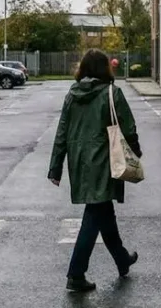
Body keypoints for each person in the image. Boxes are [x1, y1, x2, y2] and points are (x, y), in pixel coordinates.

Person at [48, 48, 141, 292]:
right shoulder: (112, 93)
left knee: (103, 211)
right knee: (94, 215)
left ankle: (122, 260)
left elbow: (62, 132)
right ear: (104, 68)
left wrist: (56, 167)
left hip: (79, 161)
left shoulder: (72, 94)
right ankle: (76, 273)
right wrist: (136, 153)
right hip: (104, 161)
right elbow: (128, 128)